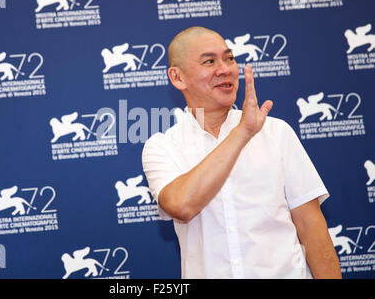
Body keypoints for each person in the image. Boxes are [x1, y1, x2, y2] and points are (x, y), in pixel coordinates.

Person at [142, 26, 341, 279]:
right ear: (178, 78)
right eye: (209, 61)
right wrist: (241, 134)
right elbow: (181, 205)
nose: (225, 69)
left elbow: (311, 226)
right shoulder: (162, 146)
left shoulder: (276, 132)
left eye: (229, 58)